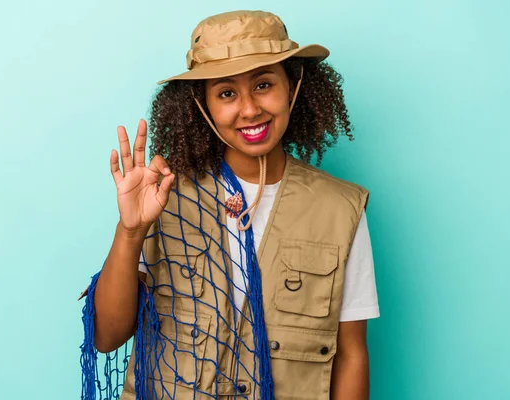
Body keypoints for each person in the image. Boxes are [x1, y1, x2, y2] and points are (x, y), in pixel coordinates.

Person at [83, 9, 379, 400]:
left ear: (292, 86)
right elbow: (107, 337)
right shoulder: (162, 195)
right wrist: (131, 231)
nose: (249, 109)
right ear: (201, 105)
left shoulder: (341, 209)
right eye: (226, 93)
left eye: (263, 85)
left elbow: (351, 354)